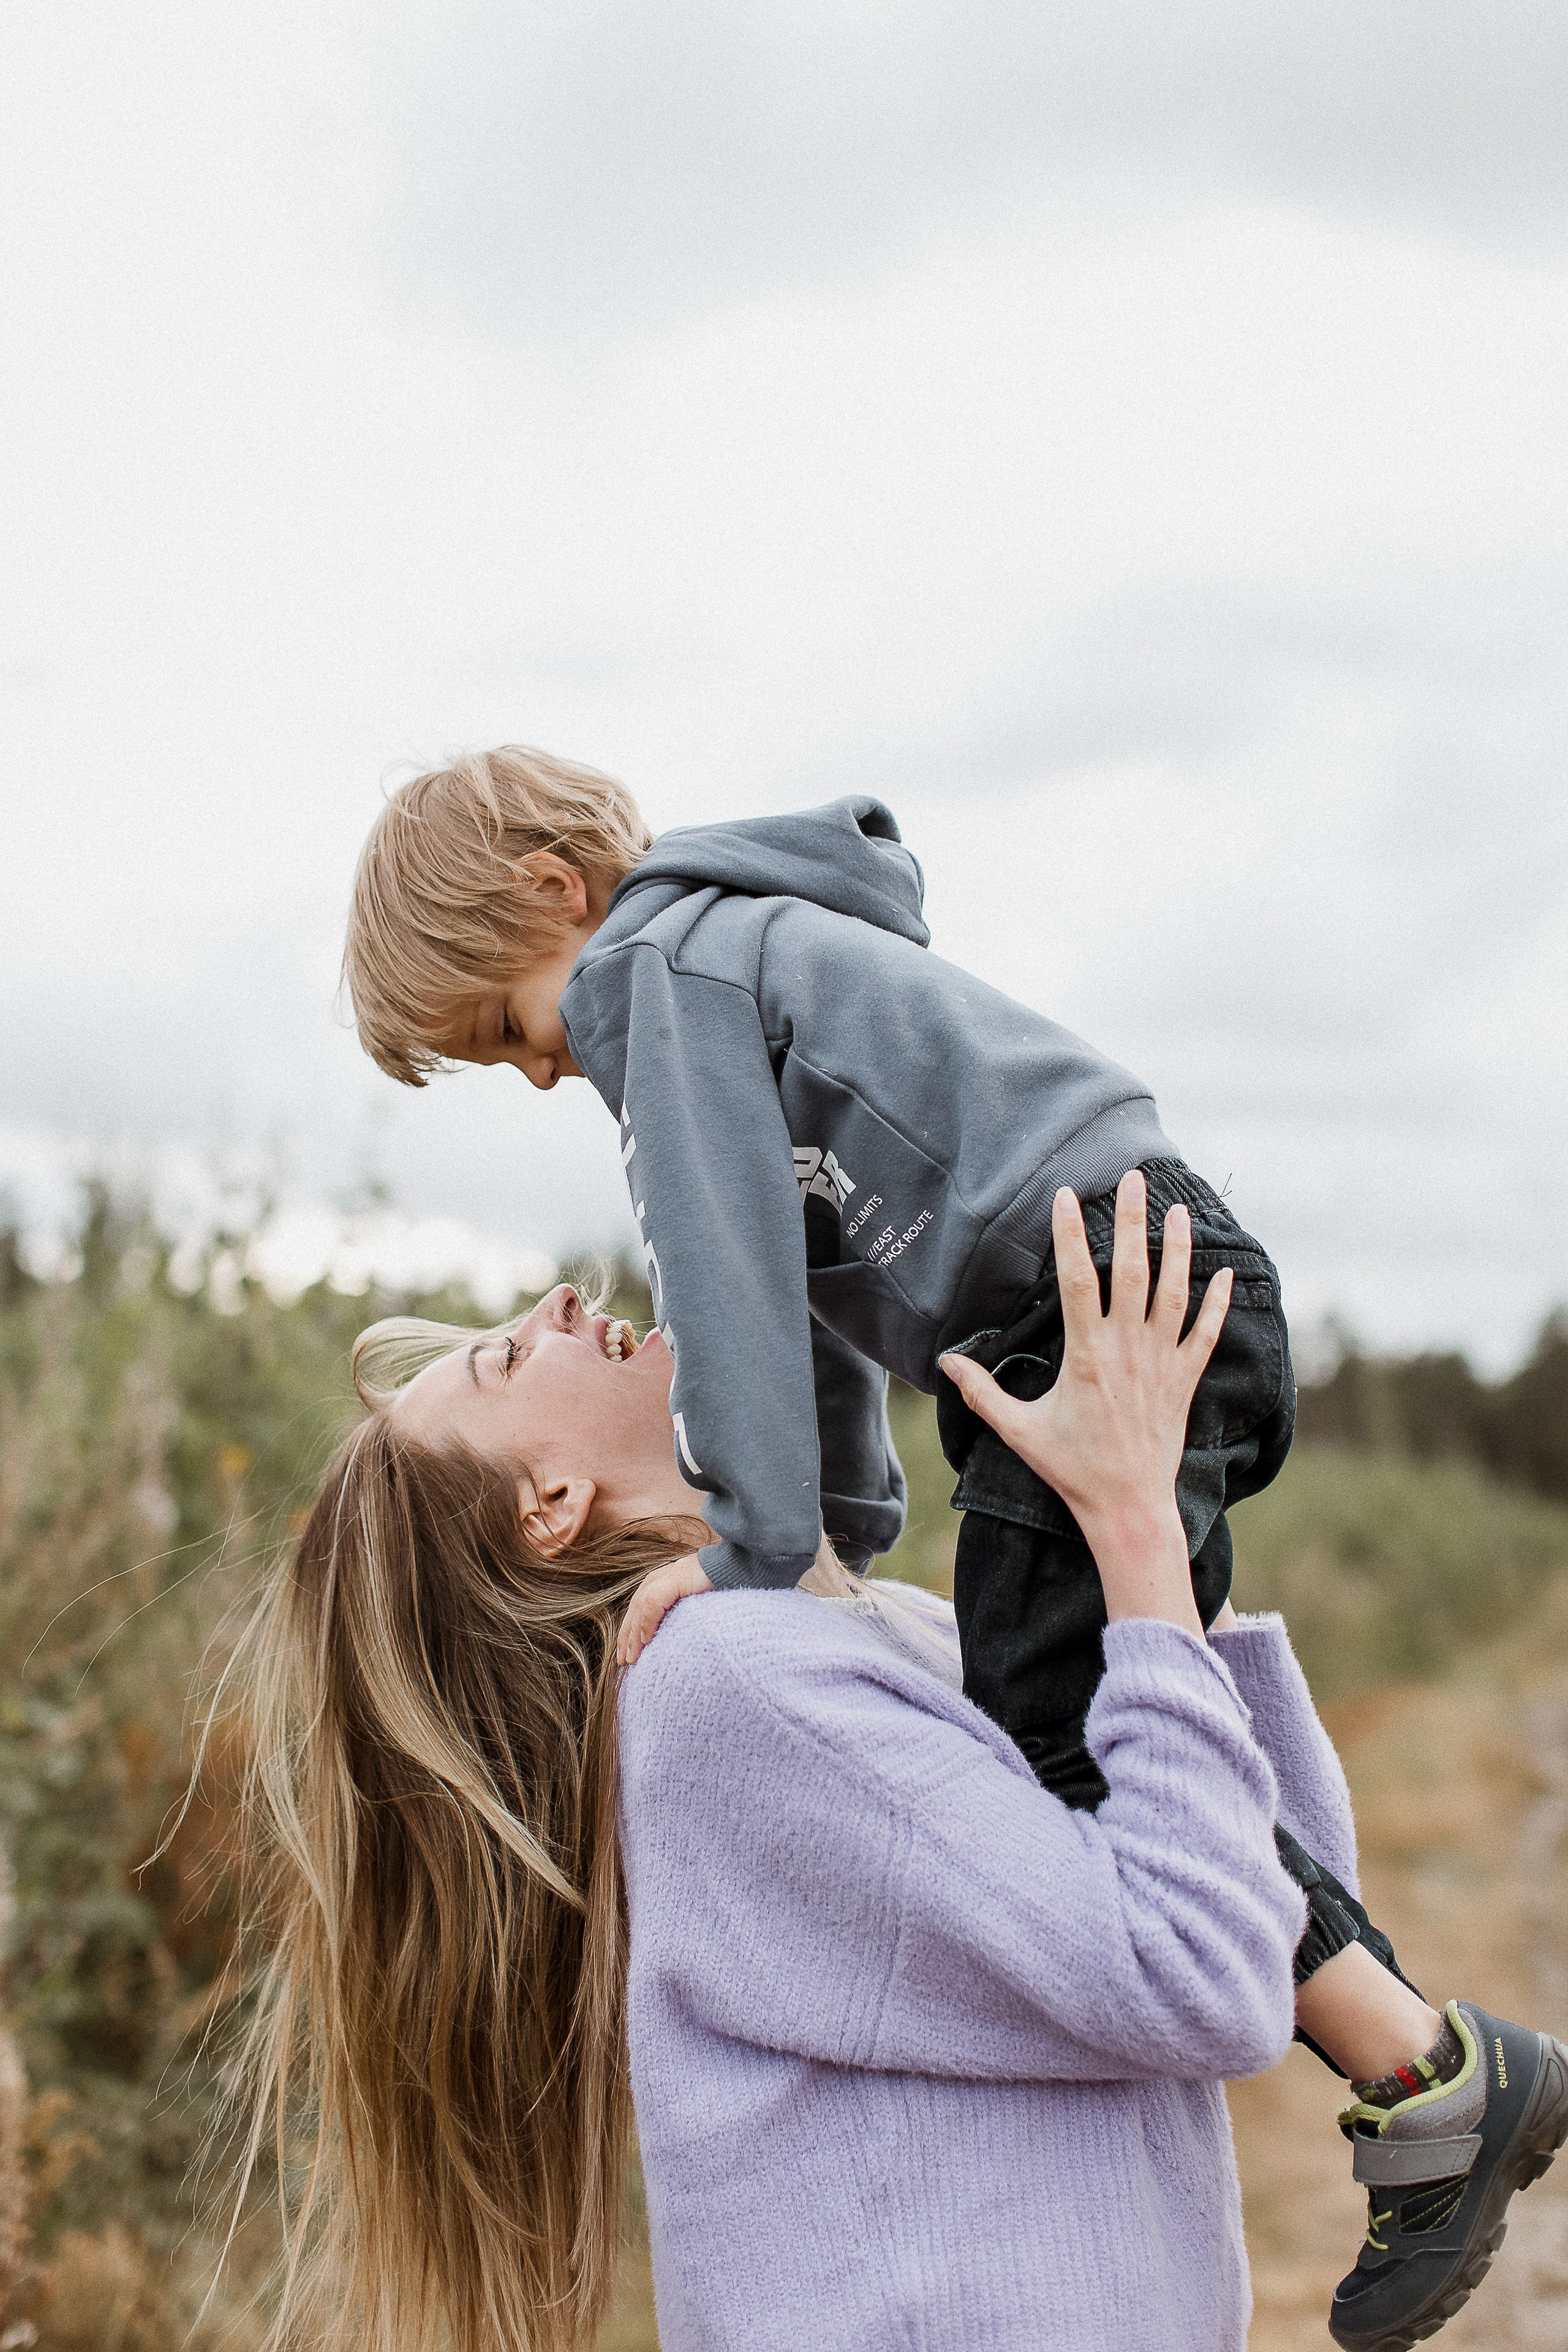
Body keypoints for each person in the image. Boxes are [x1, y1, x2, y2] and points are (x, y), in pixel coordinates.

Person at [338, 746, 1566, 2346]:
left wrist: (773, 1541)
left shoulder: (651, 967)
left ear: (554, 897)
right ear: (543, 1513)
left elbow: (718, 1271)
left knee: (1058, 1724)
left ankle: (1429, 2078)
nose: (552, 1075)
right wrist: (836, 1535)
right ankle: (1436, 2074)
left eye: (509, 1032)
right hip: (1116, 1285)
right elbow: (797, 1298)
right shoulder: (742, 951)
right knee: (1069, 1727)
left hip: (1078, 1308)